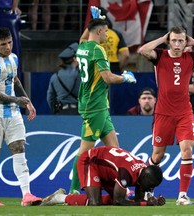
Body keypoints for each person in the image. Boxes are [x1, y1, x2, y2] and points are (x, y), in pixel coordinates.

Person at [138, 26, 194, 205]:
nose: (177, 44)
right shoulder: (160, 56)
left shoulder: (191, 57)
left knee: (187, 150)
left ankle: (182, 195)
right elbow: (143, 50)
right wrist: (163, 39)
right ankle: (145, 190)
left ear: (186, 42)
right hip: (163, 113)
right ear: (170, 41)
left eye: (181, 41)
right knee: (157, 155)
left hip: (184, 112)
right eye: (174, 40)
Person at [69, 7, 137, 194]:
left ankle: (119, 188)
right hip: (95, 106)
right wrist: (125, 78)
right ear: (99, 32)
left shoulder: (82, 46)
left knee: (115, 150)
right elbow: (108, 78)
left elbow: (83, 38)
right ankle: (73, 190)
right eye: (105, 30)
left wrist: (94, 19)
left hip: (99, 106)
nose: (107, 33)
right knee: (84, 152)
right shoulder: (98, 50)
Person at [0, 27, 42, 206]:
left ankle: (27, 195)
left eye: (10, 43)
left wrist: (28, 101)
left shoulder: (14, 58)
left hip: (13, 113)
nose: (7, 47)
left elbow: (15, 80)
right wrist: (17, 99)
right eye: (3, 44)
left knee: (19, 148)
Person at [41, 146, 166, 206]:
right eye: (150, 186)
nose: (149, 189)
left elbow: (139, 200)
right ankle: (61, 198)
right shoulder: (126, 173)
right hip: (91, 161)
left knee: (116, 199)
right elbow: (119, 201)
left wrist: (152, 201)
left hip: (108, 170)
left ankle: (71, 198)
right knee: (95, 203)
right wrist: (145, 204)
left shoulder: (144, 174)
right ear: (144, 177)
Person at [47, 42, 80, 115]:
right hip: (77, 113)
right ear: (74, 59)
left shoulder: (55, 76)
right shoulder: (80, 75)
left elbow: (50, 98)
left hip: (60, 112)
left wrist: (55, 111)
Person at [98, 7, 130, 73]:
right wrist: (118, 69)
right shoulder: (116, 34)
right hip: (113, 67)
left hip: (97, 66)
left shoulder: (91, 34)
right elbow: (125, 55)